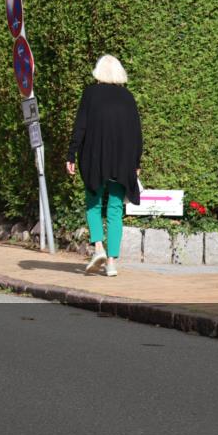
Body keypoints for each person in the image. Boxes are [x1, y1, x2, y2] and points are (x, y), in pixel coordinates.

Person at [67, 55, 143, 278]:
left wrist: (71, 154)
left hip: (95, 158)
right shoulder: (128, 97)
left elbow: (80, 126)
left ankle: (98, 248)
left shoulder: (90, 94)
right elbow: (136, 133)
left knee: (93, 201)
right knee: (116, 209)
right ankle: (111, 264)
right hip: (122, 161)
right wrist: (136, 162)